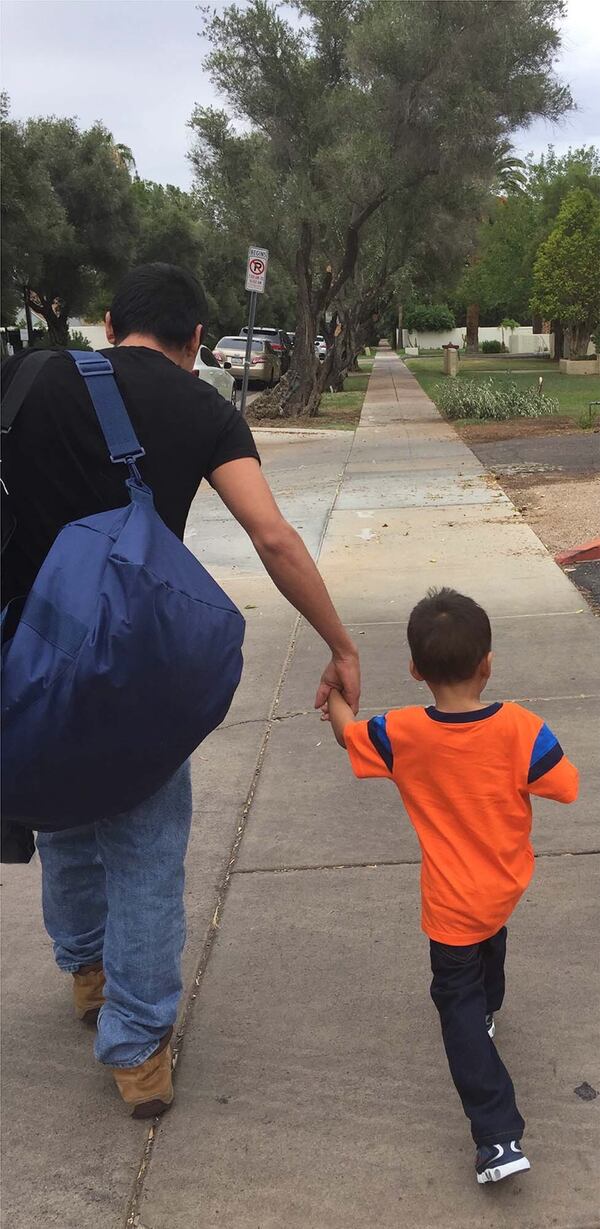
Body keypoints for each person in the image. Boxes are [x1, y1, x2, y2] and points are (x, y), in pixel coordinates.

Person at [1, 262, 360, 1118]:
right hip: (132, 668)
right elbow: (271, 535)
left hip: (25, 657)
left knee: (64, 818)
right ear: (198, 340)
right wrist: (339, 643)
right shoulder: (202, 409)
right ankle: (137, 1055)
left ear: (107, 321)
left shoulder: (26, 375)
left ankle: (86, 972)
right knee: (147, 849)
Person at [324, 587, 578, 1185]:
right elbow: (564, 785)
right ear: (488, 662)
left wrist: (334, 694)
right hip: (504, 882)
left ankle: (497, 1136)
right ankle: (490, 1005)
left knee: (454, 1000)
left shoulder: (401, 733)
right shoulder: (522, 729)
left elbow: (347, 734)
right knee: (491, 934)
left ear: (415, 671)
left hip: (449, 902)